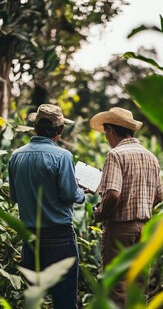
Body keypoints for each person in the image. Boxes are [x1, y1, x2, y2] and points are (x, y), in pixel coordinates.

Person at [8, 104, 85, 309]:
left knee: (34, 301)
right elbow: (70, 194)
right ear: (59, 131)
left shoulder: (16, 156)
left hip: (30, 239)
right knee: (64, 301)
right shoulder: (63, 156)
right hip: (59, 238)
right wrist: (81, 191)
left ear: (35, 127)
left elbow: (15, 196)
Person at [89, 107, 163, 308]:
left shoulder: (115, 155)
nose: (106, 138)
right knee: (139, 286)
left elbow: (113, 194)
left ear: (111, 131)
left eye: (106, 133)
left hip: (120, 229)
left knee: (116, 287)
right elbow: (159, 196)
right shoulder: (151, 157)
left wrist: (99, 214)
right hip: (144, 229)